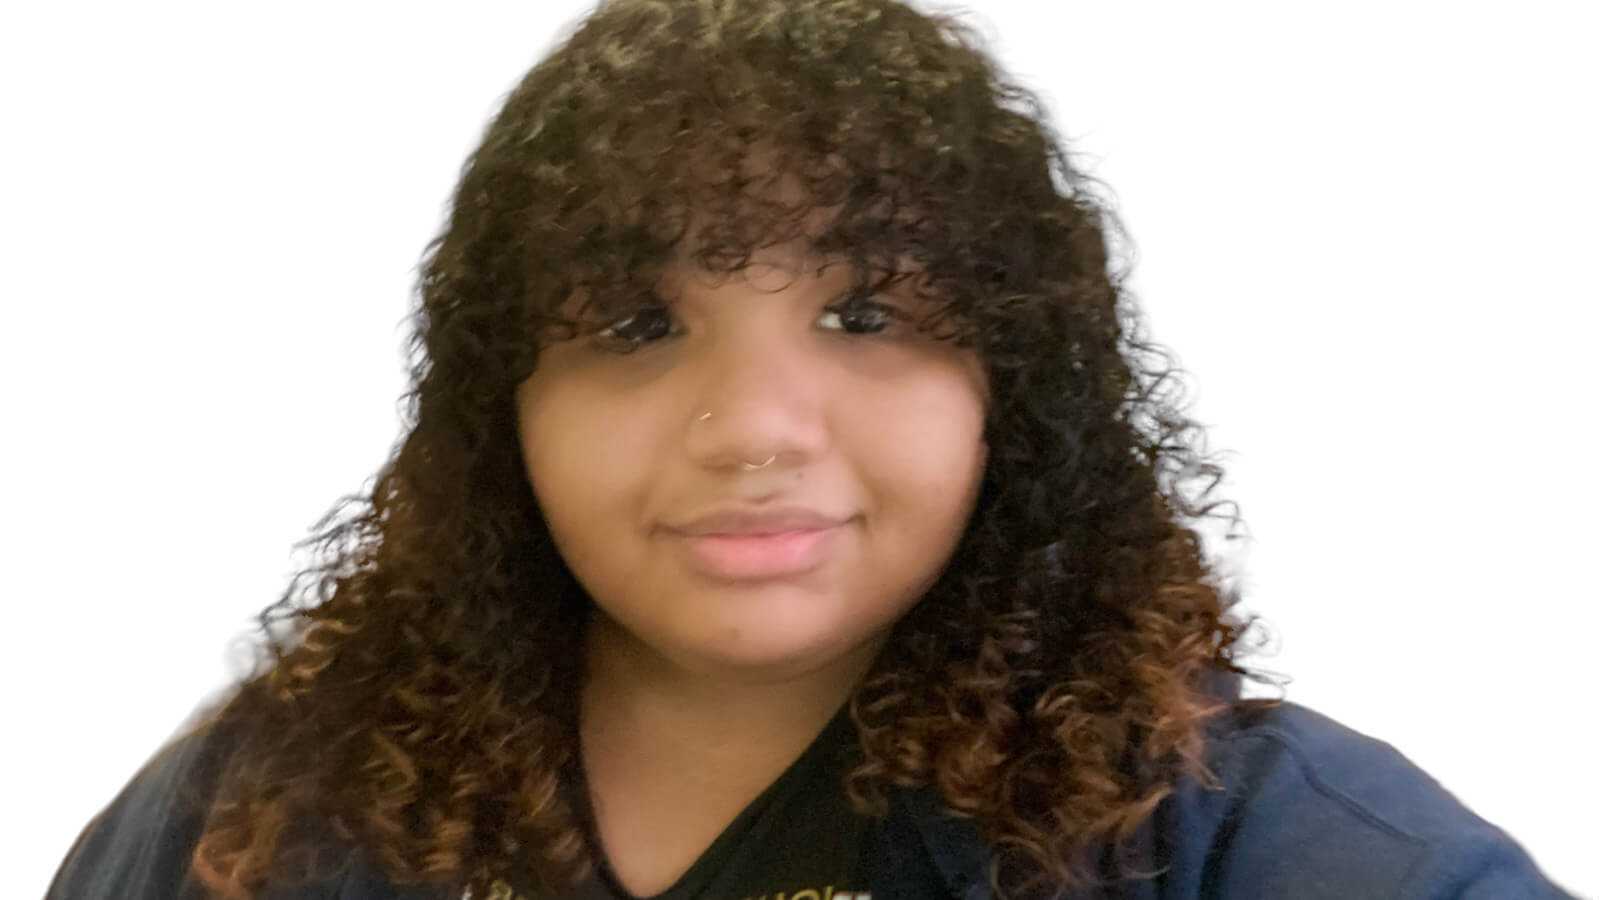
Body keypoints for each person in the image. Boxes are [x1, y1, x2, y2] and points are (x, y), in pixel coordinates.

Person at [46, 1, 1571, 898]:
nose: (757, 427)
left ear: (1011, 387)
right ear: (500, 407)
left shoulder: (1230, 839)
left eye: (868, 313)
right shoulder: (252, 816)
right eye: (637, 326)